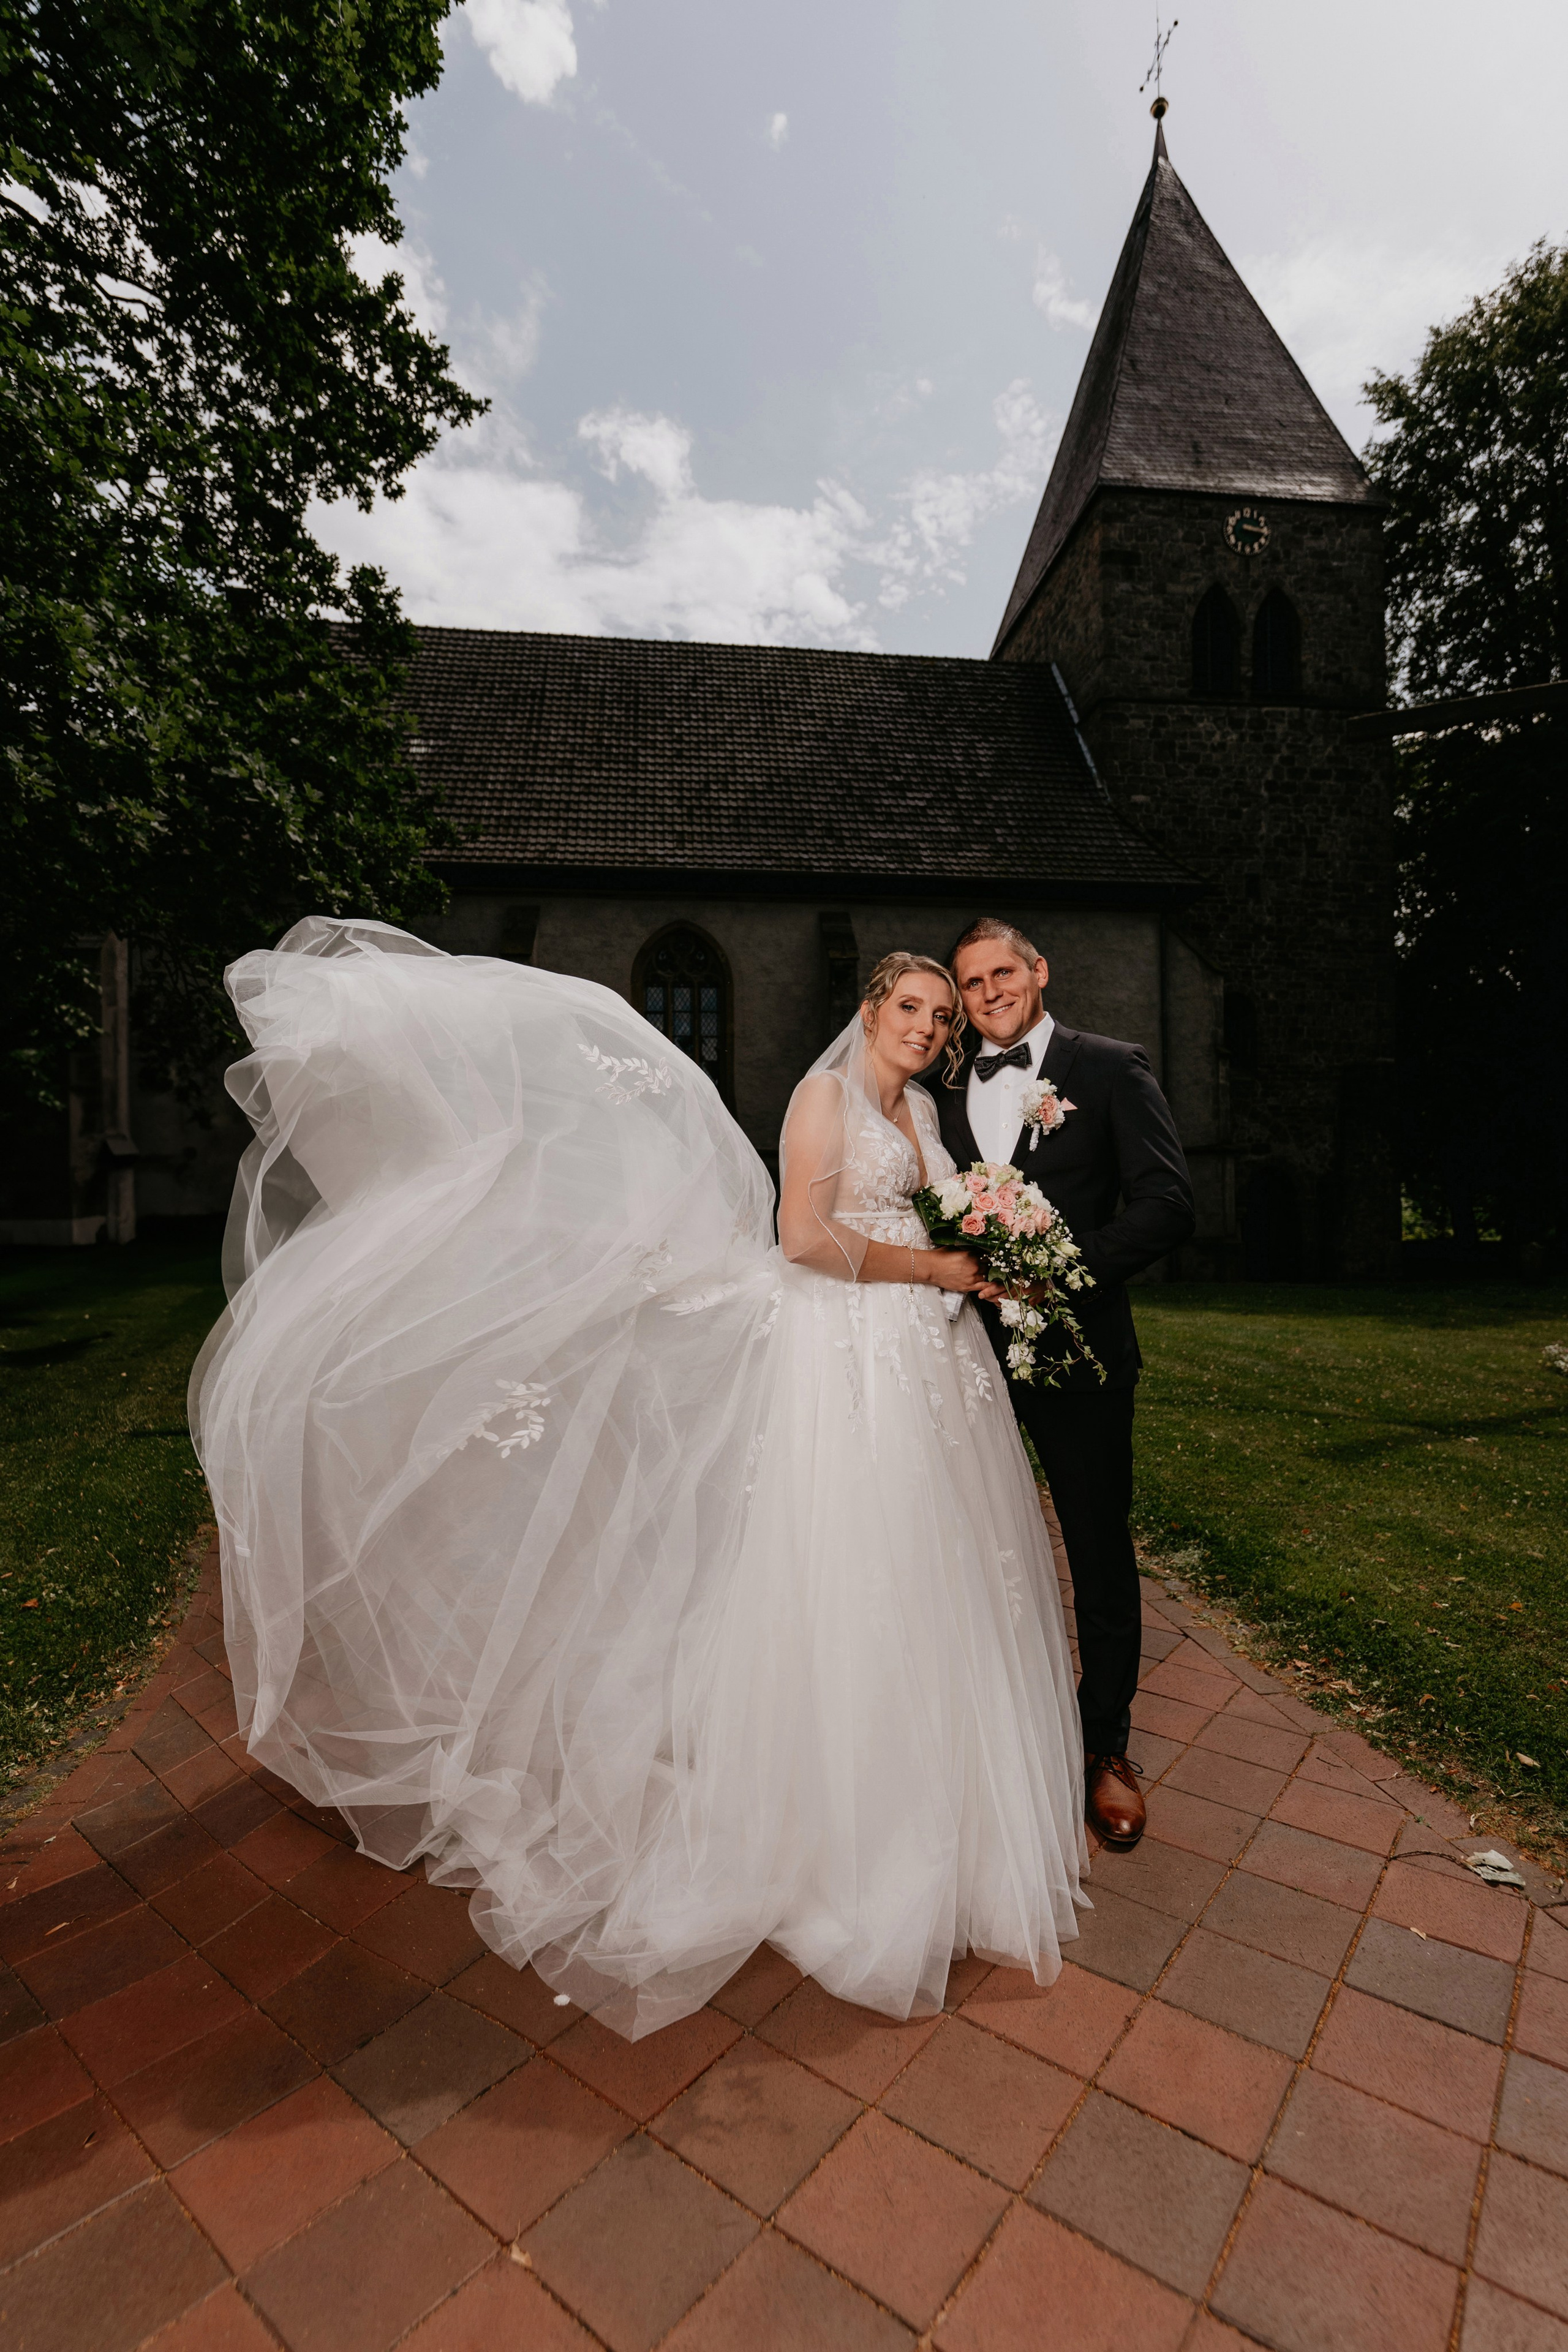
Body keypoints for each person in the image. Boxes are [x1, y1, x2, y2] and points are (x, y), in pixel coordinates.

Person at [191, 918, 1086, 2039]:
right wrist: (939, 1264)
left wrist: (975, 1269)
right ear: (869, 1012)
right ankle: (840, 1841)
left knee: (938, 1584)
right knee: (851, 1576)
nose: (927, 1025)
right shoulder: (825, 1104)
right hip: (848, 1364)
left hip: (923, 1370)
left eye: (940, 1015)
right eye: (910, 1006)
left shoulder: (920, 1113)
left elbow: (913, 1212)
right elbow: (804, 1237)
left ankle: (950, 1834)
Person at [938, 917, 1195, 1850]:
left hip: (1081, 1356)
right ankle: (987, 1739)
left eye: (1002, 971)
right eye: (971, 983)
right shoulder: (943, 1086)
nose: (989, 992)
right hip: (963, 1358)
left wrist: (1058, 1271)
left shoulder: (1109, 1066)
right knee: (971, 1546)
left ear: (1039, 971)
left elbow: (1168, 1204)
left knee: (1095, 1547)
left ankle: (1106, 1749)